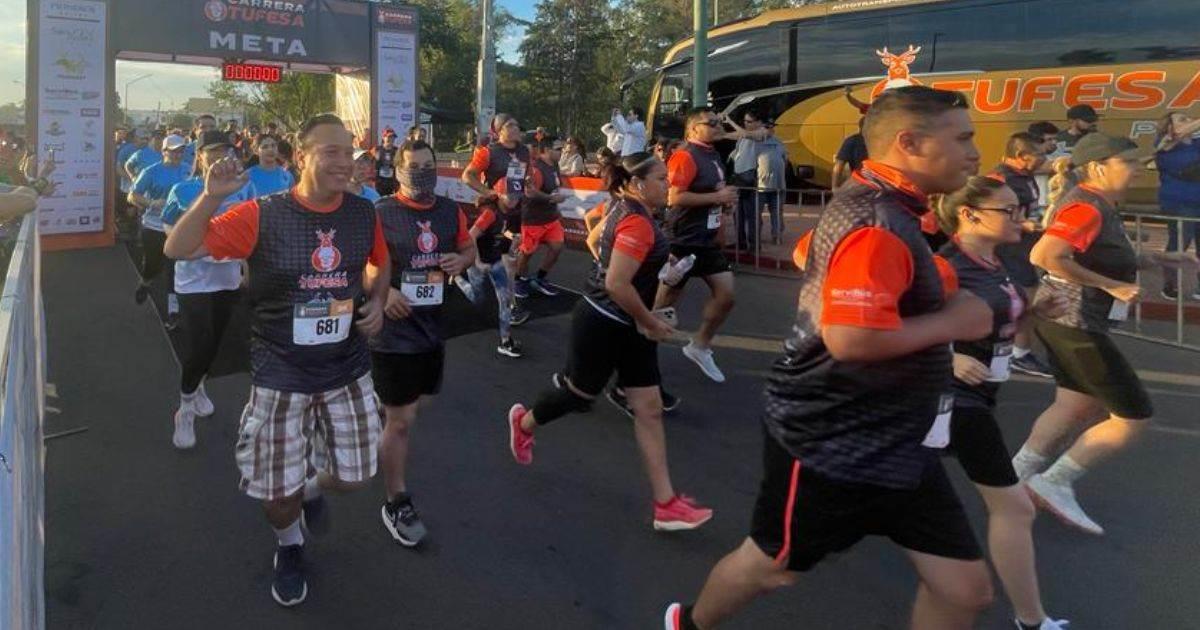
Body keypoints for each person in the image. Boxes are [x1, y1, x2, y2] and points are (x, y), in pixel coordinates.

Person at [663, 86, 996, 630]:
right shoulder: (877, 220)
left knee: (965, 591)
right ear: (909, 143)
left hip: (898, 441)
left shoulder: (891, 207)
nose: (975, 152)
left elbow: (807, 251)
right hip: (830, 441)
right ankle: (690, 624)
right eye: (962, 138)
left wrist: (914, 286)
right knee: (772, 568)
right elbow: (849, 340)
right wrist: (953, 321)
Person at [163, 113, 390, 607]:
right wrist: (212, 196)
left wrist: (376, 298)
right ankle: (289, 546)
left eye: (347, 151)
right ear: (300, 157)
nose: (343, 160)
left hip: (346, 368)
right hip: (281, 374)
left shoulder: (362, 213)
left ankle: (312, 487)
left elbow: (378, 260)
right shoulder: (261, 214)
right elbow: (177, 247)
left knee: (357, 476)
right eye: (330, 151)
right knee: (274, 490)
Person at [506, 152, 713, 530]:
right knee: (579, 397)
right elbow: (617, 283)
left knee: (648, 408)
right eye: (661, 179)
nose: (668, 184)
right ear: (637, 184)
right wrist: (650, 319)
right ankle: (524, 423)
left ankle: (666, 503)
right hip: (603, 323)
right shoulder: (637, 222)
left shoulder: (630, 211)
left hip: (627, 323)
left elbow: (604, 248)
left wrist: (659, 273)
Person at [933, 176, 1071, 630]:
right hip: (951, 400)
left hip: (980, 394)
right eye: (1008, 211)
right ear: (969, 215)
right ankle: (1032, 620)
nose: (1022, 218)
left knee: (888, 503)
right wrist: (949, 358)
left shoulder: (992, 260)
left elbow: (993, 315)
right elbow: (894, 323)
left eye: (1020, 209)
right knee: (1014, 507)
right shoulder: (945, 265)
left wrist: (1033, 311)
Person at [1014, 133, 1153, 536]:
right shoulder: (1086, 206)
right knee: (1133, 416)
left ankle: (1014, 476)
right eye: (1128, 163)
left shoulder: (1097, 204)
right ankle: (1055, 482)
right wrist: (1113, 287)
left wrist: (1159, 257)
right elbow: (1044, 255)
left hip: (1067, 322)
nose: (1138, 169)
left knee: (1074, 406)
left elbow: (1103, 254)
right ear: (1098, 167)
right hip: (1076, 323)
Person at [372, 139, 476, 547]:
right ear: (397, 171)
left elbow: (468, 247)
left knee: (419, 404)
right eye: (412, 166)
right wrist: (383, 294)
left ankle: (378, 411)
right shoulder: (381, 214)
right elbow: (359, 264)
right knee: (402, 422)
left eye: (427, 165)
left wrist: (461, 261)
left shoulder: (450, 212)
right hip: (393, 333)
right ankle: (396, 500)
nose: (420, 173)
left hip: (433, 328)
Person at [160, 130, 256, 449]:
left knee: (215, 346)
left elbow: (251, 231)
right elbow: (168, 227)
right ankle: (185, 408)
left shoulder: (244, 187)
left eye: (225, 150)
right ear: (199, 156)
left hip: (226, 276)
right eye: (211, 151)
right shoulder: (184, 188)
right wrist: (198, 243)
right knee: (199, 344)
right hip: (193, 278)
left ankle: (198, 387)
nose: (218, 156)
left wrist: (244, 265)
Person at [657, 109, 739, 383]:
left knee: (726, 295)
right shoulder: (685, 155)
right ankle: (635, 351)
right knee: (663, 306)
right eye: (711, 123)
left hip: (706, 241)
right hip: (682, 240)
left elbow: (711, 193)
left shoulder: (712, 154)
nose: (718, 126)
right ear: (693, 130)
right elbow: (674, 197)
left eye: (719, 122)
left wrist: (723, 203)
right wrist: (717, 196)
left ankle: (700, 346)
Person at [460, 113, 530, 357]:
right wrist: (491, 193)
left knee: (509, 257)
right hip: (492, 208)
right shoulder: (488, 151)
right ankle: (463, 277)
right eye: (509, 125)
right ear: (498, 131)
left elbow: (521, 181)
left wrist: (520, 194)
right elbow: (467, 176)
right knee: (479, 297)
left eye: (517, 124)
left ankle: (507, 318)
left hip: (512, 210)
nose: (515, 128)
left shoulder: (524, 151)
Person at [991, 132, 1055, 378]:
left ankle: (1013, 351)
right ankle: (1018, 354)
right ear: (1021, 156)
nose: (1043, 158)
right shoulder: (1000, 179)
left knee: (1021, 302)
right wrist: (1025, 224)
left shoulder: (1024, 176)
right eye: (1038, 154)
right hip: (1009, 250)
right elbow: (996, 217)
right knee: (1024, 303)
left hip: (1023, 248)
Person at [129, 134, 189, 322]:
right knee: (152, 265)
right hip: (154, 225)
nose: (178, 154)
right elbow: (132, 196)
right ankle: (145, 282)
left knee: (174, 267)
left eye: (181, 150)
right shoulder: (151, 171)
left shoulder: (189, 169)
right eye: (173, 151)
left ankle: (173, 310)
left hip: (179, 227)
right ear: (163, 151)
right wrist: (151, 202)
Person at [1153, 111, 1200, 300]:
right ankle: (1170, 285)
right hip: (1179, 203)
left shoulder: (1197, 144)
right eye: (1182, 119)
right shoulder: (1165, 145)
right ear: (1169, 127)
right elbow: (1176, 137)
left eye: (1188, 117)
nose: (1188, 121)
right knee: (1180, 244)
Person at [515, 137, 567, 297]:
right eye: (558, 149)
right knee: (527, 253)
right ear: (546, 150)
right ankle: (518, 280)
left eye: (562, 149)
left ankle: (539, 279)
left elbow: (556, 186)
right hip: (533, 220)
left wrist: (556, 205)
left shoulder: (555, 165)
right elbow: (529, 193)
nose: (562, 152)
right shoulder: (536, 168)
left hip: (551, 218)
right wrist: (551, 198)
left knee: (557, 248)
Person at [728, 111, 765, 250]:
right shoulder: (744, 136)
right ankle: (741, 242)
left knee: (752, 214)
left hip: (750, 177)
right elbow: (738, 135)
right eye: (745, 121)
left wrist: (730, 122)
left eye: (749, 121)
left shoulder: (761, 132)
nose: (745, 124)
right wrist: (722, 134)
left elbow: (744, 134)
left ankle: (754, 244)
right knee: (738, 213)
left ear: (758, 122)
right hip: (739, 177)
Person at [755, 119, 789, 245]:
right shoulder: (753, 142)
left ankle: (777, 236)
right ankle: (755, 236)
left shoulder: (778, 141)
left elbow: (785, 160)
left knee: (777, 212)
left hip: (778, 185)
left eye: (772, 127)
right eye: (768, 126)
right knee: (756, 213)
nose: (771, 129)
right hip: (759, 187)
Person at [832, 118, 868, 187]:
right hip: (872, 183)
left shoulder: (851, 141)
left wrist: (834, 187)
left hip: (859, 183)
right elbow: (839, 166)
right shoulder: (878, 141)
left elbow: (839, 165)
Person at [375, 130, 400, 196]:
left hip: (392, 182)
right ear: (383, 137)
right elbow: (372, 165)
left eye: (393, 137)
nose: (390, 139)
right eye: (388, 137)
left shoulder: (397, 151)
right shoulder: (377, 150)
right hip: (380, 182)